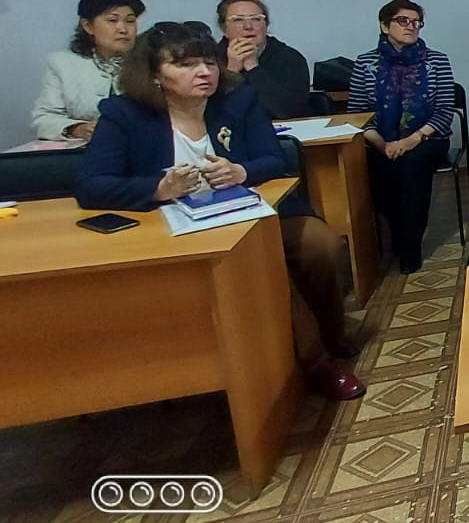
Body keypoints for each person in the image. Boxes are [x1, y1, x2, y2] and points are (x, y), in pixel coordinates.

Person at [74, 22, 364, 399]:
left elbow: (275, 158)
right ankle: (317, 363)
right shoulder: (124, 114)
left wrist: (242, 171)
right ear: (154, 76)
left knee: (319, 245)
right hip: (172, 225)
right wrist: (157, 189)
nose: (204, 72)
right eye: (185, 65)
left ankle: (330, 333)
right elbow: (91, 185)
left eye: (209, 62)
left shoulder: (237, 100)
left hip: (250, 212)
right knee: (256, 265)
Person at [347, 0, 456, 274]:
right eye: (403, 21)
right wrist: (381, 142)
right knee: (375, 167)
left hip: (427, 138)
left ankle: (410, 245)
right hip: (379, 140)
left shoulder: (436, 61)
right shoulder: (365, 63)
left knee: (411, 166)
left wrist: (410, 140)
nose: (411, 27)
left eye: (416, 22)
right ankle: (394, 236)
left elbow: (445, 111)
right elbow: (357, 114)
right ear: (385, 26)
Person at [32, 0, 145, 141]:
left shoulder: (148, 60)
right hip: (88, 147)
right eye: (112, 20)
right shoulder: (62, 64)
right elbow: (44, 119)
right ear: (88, 26)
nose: (123, 29)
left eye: (130, 21)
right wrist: (77, 129)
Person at [215, 0, 312, 119]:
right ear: (224, 29)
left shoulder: (290, 58)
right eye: (238, 20)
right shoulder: (211, 59)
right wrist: (232, 71)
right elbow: (209, 112)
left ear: (266, 25)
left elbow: (291, 112)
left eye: (256, 19)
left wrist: (253, 68)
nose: (248, 26)